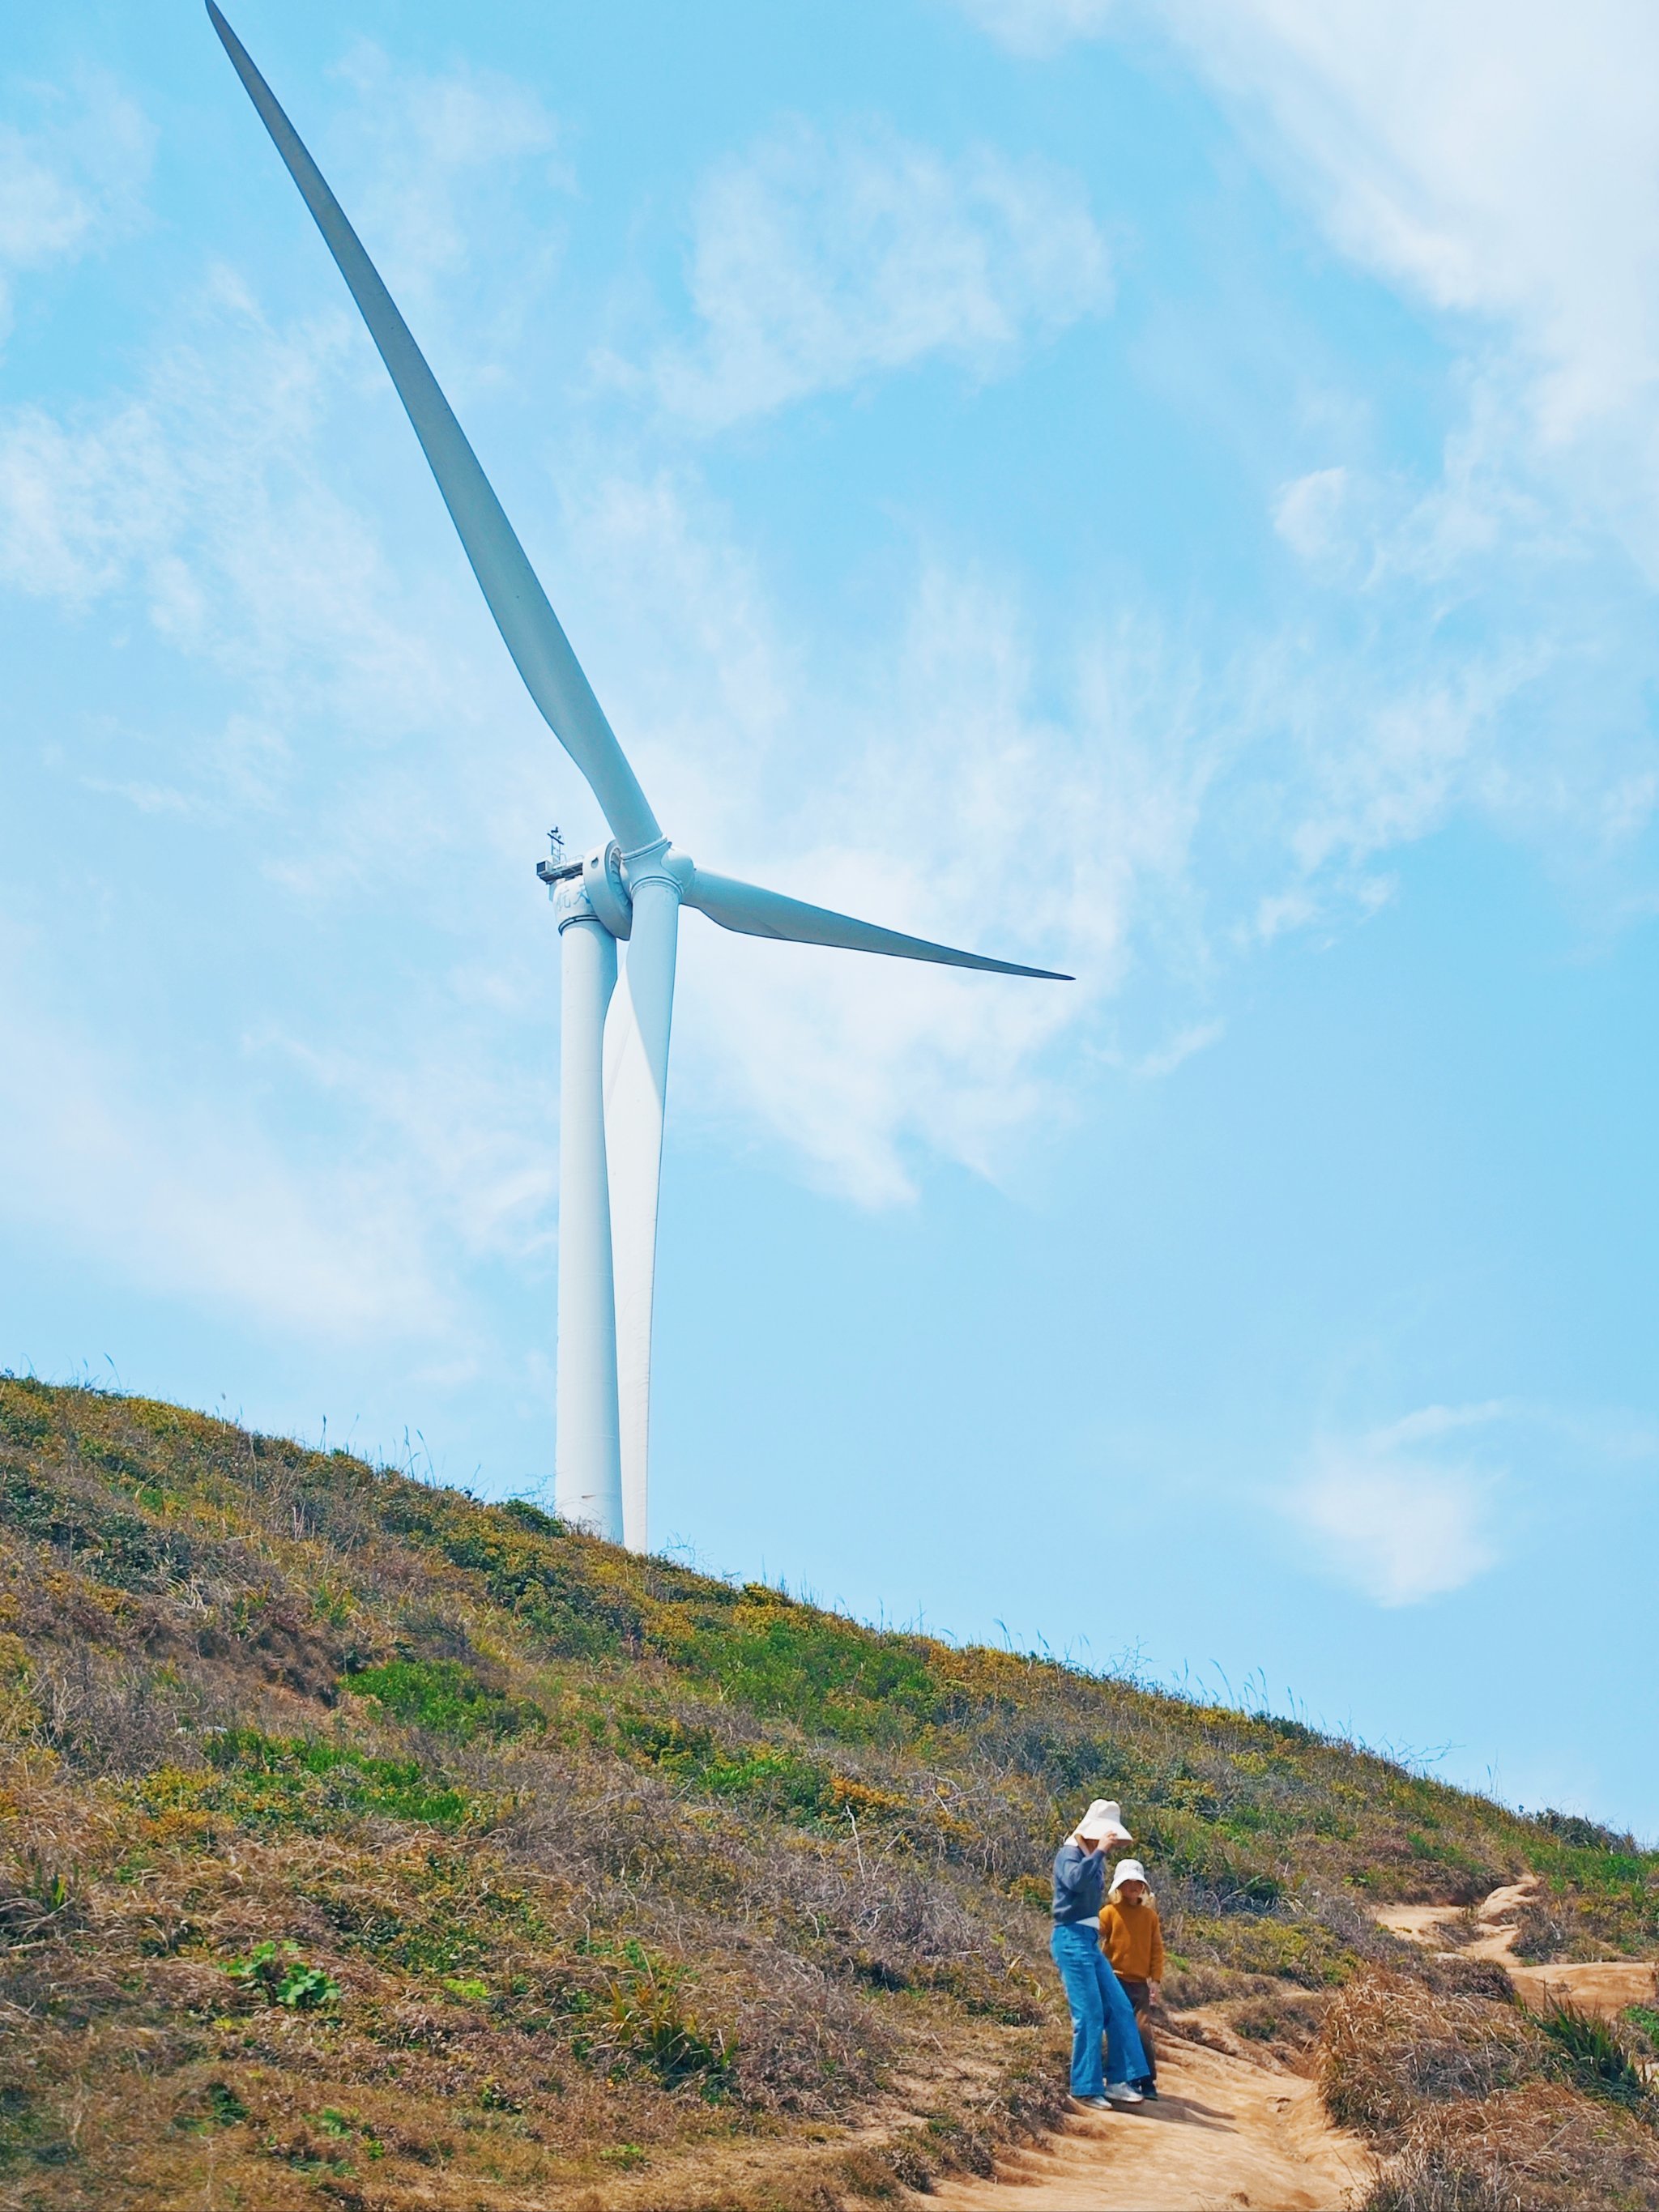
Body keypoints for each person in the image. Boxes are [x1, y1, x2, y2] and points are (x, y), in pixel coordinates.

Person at [1050, 1801, 1149, 2111]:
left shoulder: (1090, 1855)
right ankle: (1085, 2087)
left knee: (1120, 2007)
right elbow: (1075, 1881)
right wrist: (1100, 1852)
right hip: (1070, 1937)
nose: (1111, 1845)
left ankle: (1119, 2080)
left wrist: (1098, 1854)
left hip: (1089, 1942)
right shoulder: (1070, 1854)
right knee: (1090, 2013)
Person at [1100, 1857, 1165, 2098]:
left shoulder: (1150, 1917)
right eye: (1127, 1882)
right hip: (1114, 1981)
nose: (1133, 1886)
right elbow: (1094, 1934)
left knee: (1142, 2030)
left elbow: (1157, 1950)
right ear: (1119, 1886)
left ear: (1144, 1887)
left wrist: (1155, 1980)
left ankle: (1147, 2081)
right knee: (1117, 2029)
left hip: (1139, 1985)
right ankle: (1119, 2078)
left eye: (1137, 1883)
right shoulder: (1109, 1912)